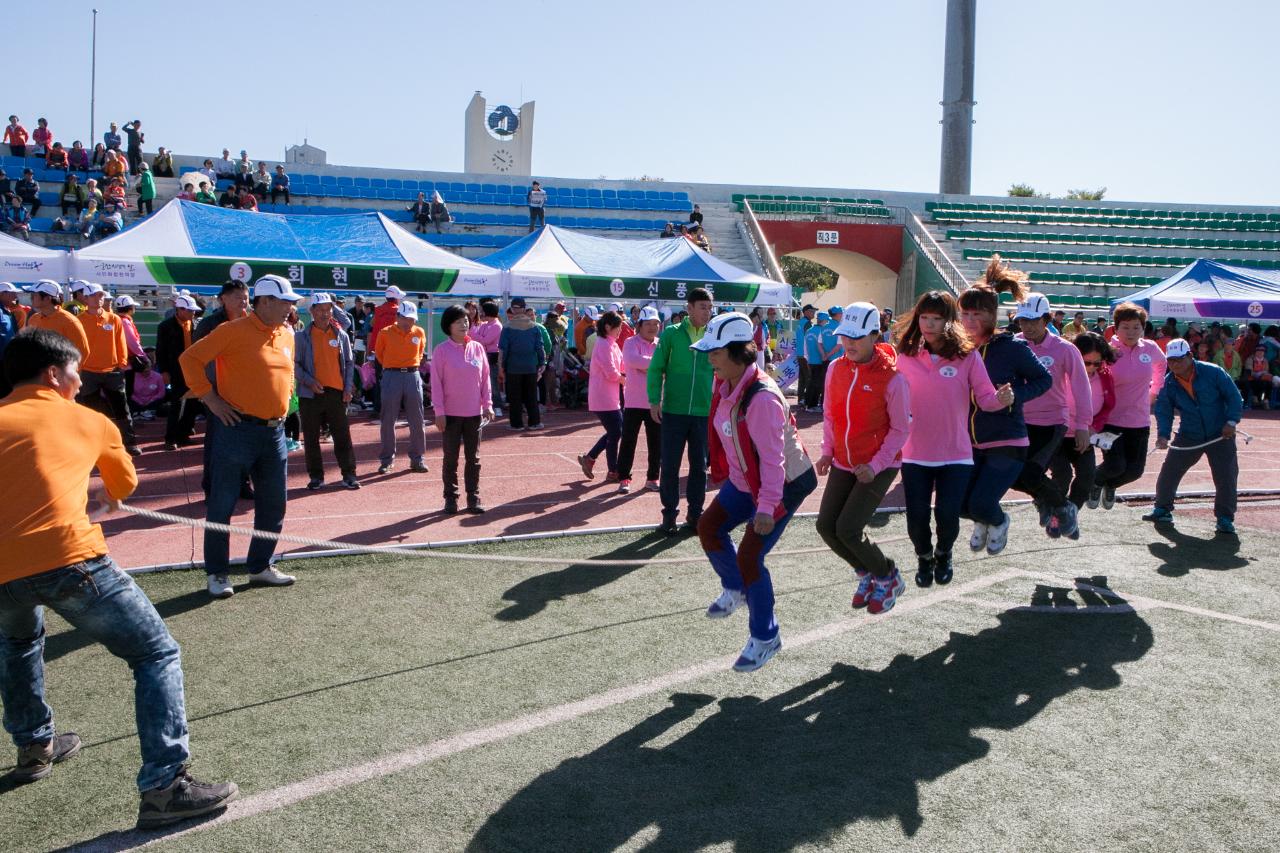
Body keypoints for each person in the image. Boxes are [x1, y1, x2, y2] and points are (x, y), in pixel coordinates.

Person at [0, 328, 239, 826]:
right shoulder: (89, 419)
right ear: (53, 374)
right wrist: (105, 500)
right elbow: (123, 485)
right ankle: (164, 785)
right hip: (70, 559)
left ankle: (35, 746)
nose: (78, 380)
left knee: (19, 643)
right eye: (74, 372)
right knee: (156, 652)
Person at [696, 312, 818, 672]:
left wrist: (766, 508)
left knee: (750, 557)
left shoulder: (761, 398)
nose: (709, 359)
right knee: (708, 527)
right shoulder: (727, 384)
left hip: (782, 483)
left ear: (736, 353)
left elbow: (772, 461)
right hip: (746, 478)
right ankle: (736, 587)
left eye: (714, 353)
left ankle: (766, 637)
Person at [179, 275, 302, 599]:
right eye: (286, 301)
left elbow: (286, 373)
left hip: (273, 432)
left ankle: (260, 566)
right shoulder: (231, 332)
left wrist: (285, 401)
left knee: (274, 504)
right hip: (236, 431)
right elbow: (189, 359)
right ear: (265, 302)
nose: (291, 306)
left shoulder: (288, 334)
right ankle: (217, 573)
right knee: (222, 504)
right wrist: (210, 398)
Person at [894, 290, 1014, 587]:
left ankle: (944, 553)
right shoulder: (904, 356)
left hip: (956, 454)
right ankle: (923, 557)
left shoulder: (968, 356)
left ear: (949, 321)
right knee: (917, 520)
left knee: (948, 516)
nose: (929, 324)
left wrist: (1001, 399)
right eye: (924, 317)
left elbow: (986, 399)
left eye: (937, 318)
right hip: (915, 453)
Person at [814, 302, 911, 614]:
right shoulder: (835, 369)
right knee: (826, 526)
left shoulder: (893, 378)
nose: (848, 343)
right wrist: (827, 452)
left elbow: (900, 428)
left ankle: (888, 576)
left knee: (848, 529)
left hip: (878, 464)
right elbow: (830, 414)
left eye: (856, 337)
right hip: (843, 460)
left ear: (875, 334)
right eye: (845, 336)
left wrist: (875, 465)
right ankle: (867, 572)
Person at [956, 258, 1052, 557]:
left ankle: (998, 520)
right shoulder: (957, 348)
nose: (970, 321)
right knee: (958, 503)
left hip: (1007, 440)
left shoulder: (1012, 348)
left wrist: (1016, 396)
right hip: (967, 442)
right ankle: (985, 520)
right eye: (965, 314)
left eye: (978, 314)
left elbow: (1044, 379)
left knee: (982, 503)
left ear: (992, 315)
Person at [1011, 293, 1092, 539]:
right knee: (1011, 473)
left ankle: (1060, 506)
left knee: (1030, 473)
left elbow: (1081, 387)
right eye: (1023, 321)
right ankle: (1053, 503)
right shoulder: (1013, 345)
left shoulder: (1064, 349)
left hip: (1052, 423)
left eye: (1034, 320)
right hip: (1019, 421)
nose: (1028, 326)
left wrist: (1082, 425)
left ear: (1046, 319)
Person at [1143, 339, 1242, 536]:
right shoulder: (1169, 382)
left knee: (1226, 476)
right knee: (1170, 471)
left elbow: (1234, 397)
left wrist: (1231, 422)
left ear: (1190, 356)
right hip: (1189, 434)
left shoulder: (1214, 372)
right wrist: (1163, 435)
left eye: (1179, 359)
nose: (1175, 364)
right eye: (1171, 361)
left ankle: (1225, 518)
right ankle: (1162, 508)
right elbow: (1163, 410)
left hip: (1220, 434)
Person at [649, 287, 715, 535]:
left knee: (699, 467)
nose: (707, 312)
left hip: (703, 411)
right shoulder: (671, 335)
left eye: (709, 308)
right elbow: (656, 368)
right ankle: (669, 516)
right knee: (670, 465)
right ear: (689, 308)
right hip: (674, 410)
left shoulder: (714, 335)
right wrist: (655, 400)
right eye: (702, 307)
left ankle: (695, 516)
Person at [1093, 302, 1166, 509]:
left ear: (1143, 328)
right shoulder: (1108, 351)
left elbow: (1162, 365)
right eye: (1125, 326)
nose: (1131, 332)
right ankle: (1094, 481)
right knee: (1115, 464)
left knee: (1135, 471)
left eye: (1136, 326)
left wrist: (1155, 390)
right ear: (1115, 328)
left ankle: (1109, 485)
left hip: (1139, 420)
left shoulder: (1150, 348)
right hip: (1111, 420)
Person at [430, 305, 494, 514]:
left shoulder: (477, 348)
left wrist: (488, 405)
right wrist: (439, 411)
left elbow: (485, 380)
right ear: (448, 326)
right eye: (458, 321)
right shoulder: (441, 351)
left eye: (466, 320)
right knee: (450, 459)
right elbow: (436, 384)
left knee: (473, 459)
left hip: (474, 414)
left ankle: (473, 498)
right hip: (450, 415)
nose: (464, 324)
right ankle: (451, 498)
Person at [295, 293, 359, 491]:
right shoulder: (301, 337)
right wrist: (309, 381)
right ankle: (316, 476)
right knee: (311, 438)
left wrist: (348, 388)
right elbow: (294, 364)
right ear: (312, 311)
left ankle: (349, 475)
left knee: (342, 436)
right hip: (310, 394)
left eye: (328, 309)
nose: (325, 313)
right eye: (320, 309)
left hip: (336, 393)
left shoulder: (341, 335)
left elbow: (349, 363)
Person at [1050, 331, 1116, 510]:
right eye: (1086, 362)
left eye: (1097, 363)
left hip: (1084, 434)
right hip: (1057, 433)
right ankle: (1052, 508)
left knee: (1087, 476)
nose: (1092, 367)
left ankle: (1071, 511)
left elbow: (1108, 406)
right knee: (1062, 475)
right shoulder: (1059, 374)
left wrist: (1094, 427)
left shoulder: (1104, 376)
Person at [74, 283, 141, 456]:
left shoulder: (114, 319)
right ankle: (94, 445)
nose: (99, 298)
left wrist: (122, 363)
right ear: (86, 299)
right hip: (88, 372)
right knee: (91, 411)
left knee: (122, 409)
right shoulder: (79, 320)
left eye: (101, 295)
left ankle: (129, 443)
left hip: (113, 371)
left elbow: (121, 342)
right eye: (95, 295)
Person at [373, 300, 429, 475]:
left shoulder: (419, 332)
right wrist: (393, 367)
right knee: (388, 420)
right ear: (397, 317)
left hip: (413, 375)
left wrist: (411, 366)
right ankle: (387, 460)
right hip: (391, 376)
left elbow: (420, 352)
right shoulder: (385, 333)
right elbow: (379, 355)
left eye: (412, 319)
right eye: (405, 318)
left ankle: (417, 459)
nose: (408, 322)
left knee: (417, 419)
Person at [617, 306, 663, 493]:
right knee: (628, 441)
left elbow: (663, 365)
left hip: (655, 402)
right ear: (639, 325)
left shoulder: (661, 343)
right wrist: (655, 366)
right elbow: (632, 360)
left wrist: (648, 365)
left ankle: (653, 478)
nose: (652, 327)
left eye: (656, 324)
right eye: (648, 324)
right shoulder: (630, 342)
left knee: (656, 442)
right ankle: (624, 479)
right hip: (634, 401)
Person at [579, 310, 626, 480]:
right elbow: (611, 373)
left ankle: (590, 459)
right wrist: (628, 381)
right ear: (607, 327)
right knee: (616, 432)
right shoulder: (603, 344)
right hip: (603, 397)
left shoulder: (612, 343)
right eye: (618, 327)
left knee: (616, 431)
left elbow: (622, 366)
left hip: (612, 396)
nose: (620, 330)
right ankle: (612, 470)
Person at [155, 294, 201, 450]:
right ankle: (171, 438)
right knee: (177, 404)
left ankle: (184, 434)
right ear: (180, 309)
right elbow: (161, 351)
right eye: (190, 310)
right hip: (176, 371)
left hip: (194, 371)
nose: (193, 313)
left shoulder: (196, 324)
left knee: (192, 404)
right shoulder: (165, 326)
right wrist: (164, 371)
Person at [498, 296, 546, 430]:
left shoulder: (507, 327)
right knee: (531, 396)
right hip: (530, 366)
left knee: (515, 397)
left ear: (512, 309)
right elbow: (539, 347)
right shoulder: (534, 327)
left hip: (513, 367)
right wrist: (542, 363)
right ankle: (534, 422)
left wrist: (502, 366)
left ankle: (516, 424)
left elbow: (503, 349)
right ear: (524, 309)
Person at [24, 280, 90, 358]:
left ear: (47, 298)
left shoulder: (69, 321)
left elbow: (83, 351)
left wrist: (69, 370)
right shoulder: (33, 318)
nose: (31, 298)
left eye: (34, 295)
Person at [472, 300, 505, 417]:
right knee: (483, 383)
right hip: (482, 357)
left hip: (492, 359)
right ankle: (485, 406)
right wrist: (477, 336)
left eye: (482, 311)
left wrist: (474, 335)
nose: (480, 313)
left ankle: (497, 406)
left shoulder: (497, 325)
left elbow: (485, 340)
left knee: (493, 384)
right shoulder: (484, 324)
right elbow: (479, 339)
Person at [802, 311, 829, 412]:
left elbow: (805, 347)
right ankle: (813, 405)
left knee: (811, 382)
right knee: (818, 384)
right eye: (827, 321)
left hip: (811, 360)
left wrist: (807, 358)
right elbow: (824, 346)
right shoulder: (822, 331)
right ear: (824, 320)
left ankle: (808, 403)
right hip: (820, 360)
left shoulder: (809, 330)